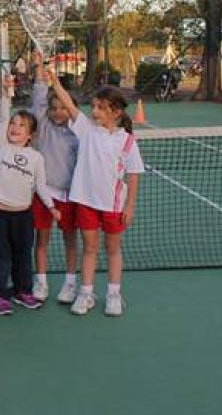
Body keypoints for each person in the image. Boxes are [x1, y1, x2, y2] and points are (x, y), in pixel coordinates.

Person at [48, 72, 144, 317]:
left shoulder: (128, 141)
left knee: (113, 249)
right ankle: (86, 293)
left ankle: (113, 294)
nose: (95, 112)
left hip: (113, 206)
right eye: (94, 107)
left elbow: (133, 176)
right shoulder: (87, 131)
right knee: (89, 248)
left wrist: (129, 207)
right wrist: (54, 82)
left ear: (115, 112)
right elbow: (69, 105)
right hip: (86, 202)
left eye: (101, 108)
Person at [0, 77, 60, 316]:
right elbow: (2, 118)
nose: (14, 128)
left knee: (23, 256)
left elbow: (41, 186)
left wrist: (51, 207)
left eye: (21, 126)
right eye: (13, 124)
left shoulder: (36, 158)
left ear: (30, 135)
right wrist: (7, 92)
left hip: (23, 217)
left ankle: (23, 291)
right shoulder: (2, 146)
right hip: (0, 215)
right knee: (0, 258)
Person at [29, 52, 80, 303]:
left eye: (64, 108)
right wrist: (39, 68)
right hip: (43, 194)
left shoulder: (79, 134)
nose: (59, 112)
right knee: (42, 240)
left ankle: (70, 285)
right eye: (54, 108)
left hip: (70, 196)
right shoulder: (44, 126)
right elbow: (38, 99)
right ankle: (41, 282)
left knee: (71, 240)